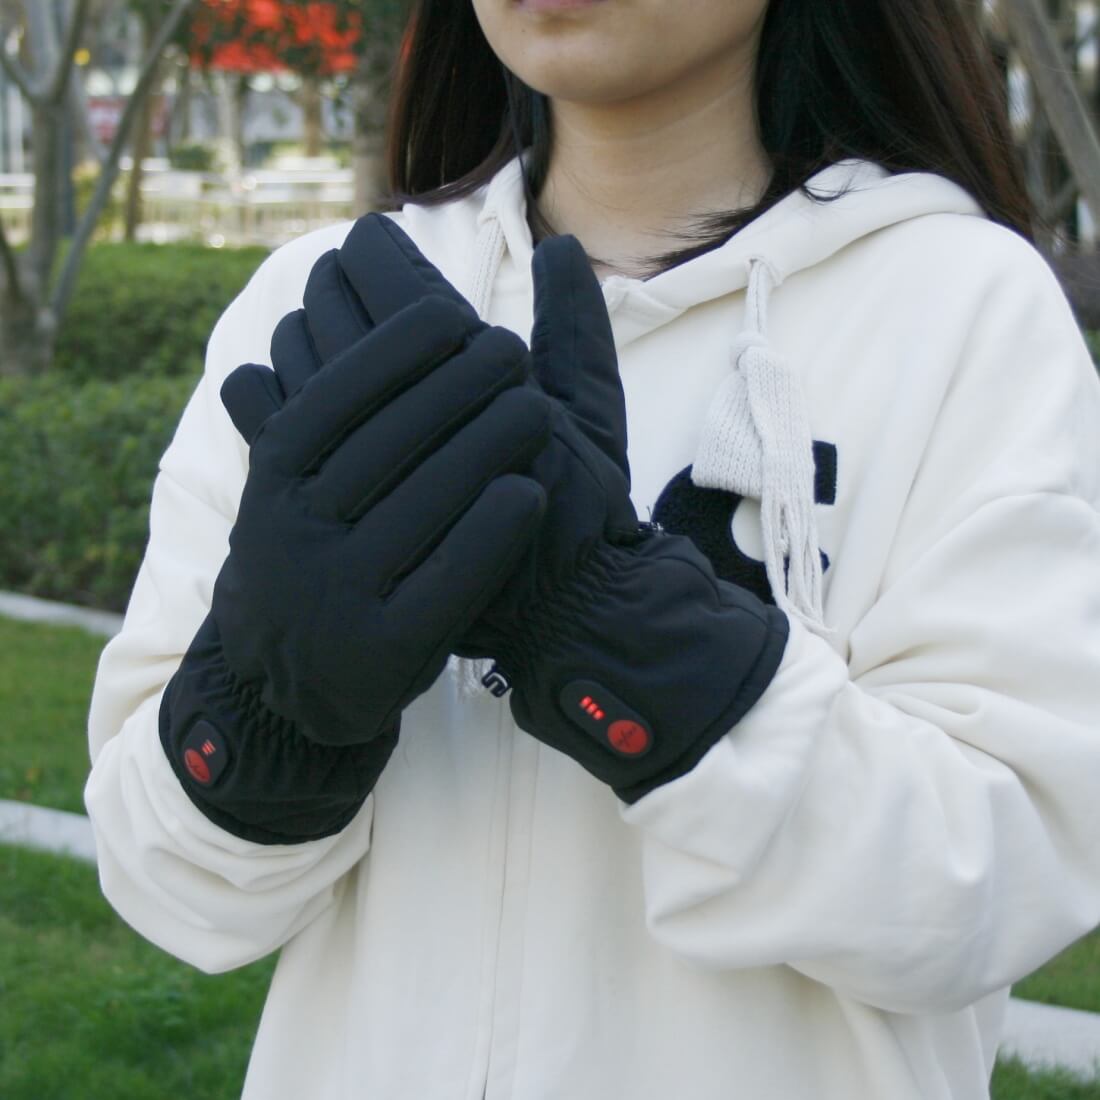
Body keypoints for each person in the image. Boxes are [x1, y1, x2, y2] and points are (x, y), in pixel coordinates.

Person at [85, 1, 1100, 1097]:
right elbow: (171, 884)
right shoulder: (324, 305)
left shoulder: (959, 311)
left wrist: (611, 623)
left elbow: (996, 884)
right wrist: (263, 706)